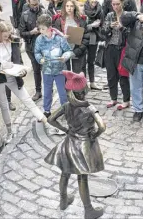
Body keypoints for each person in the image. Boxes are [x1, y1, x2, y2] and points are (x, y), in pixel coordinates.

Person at [44, 71, 105, 219]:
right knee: (82, 178)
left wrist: (66, 130)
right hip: (83, 146)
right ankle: (88, 210)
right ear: (85, 91)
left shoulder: (66, 106)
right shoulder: (89, 107)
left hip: (68, 143)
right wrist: (94, 135)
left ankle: (63, 201)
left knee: (65, 173)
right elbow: (102, 127)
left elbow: (51, 119)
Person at [0, 22, 49, 144]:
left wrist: (21, 70)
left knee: (26, 98)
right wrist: (0, 67)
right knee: (4, 105)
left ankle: (44, 120)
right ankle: (9, 131)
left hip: (13, 75)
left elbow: (18, 59)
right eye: (4, 36)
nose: (7, 38)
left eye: (8, 35)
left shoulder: (13, 41)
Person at [34, 15, 73, 116]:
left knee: (62, 92)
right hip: (47, 70)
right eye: (40, 29)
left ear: (50, 28)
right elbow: (37, 52)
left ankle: (65, 109)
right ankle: (47, 110)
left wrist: (64, 57)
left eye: (43, 29)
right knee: (47, 92)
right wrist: (40, 59)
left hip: (60, 70)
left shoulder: (59, 38)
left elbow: (68, 50)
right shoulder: (39, 39)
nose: (41, 31)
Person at [19, 0, 51, 101]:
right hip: (31, 47)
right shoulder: (25, 15)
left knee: (47, 69)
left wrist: (45, 31)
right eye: (33, 4)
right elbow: (21, 33)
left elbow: (53, 28)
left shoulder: (45, 12)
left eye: (37, 4)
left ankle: (48, 90)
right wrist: (31, 32)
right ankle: (38, 91)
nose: (35, 6)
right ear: (28, 2)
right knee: (36, 70)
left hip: (45, 46)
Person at [101, 0, 131, 110]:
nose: (115, 6)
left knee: (123, 75)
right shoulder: (109, 15)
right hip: (110, 48)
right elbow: (103, 32)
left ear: (122, 3)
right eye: (113, 4)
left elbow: (131, 34)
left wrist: (121, 28)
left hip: (122, 48)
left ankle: (126, 100)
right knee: (111, 75)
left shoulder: (127, 16)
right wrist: (109, 28)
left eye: (118, 4)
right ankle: (113, 98)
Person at [52, 0, 89, 74]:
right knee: (66, 75)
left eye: (71, 6)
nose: (69, 8)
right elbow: (54, 36)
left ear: (75, 7)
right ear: (64, 7)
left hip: (78, 51)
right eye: (67, 6)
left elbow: (86, 37)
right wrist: (62, 37)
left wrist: (77, 51)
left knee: (78, 75)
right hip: (64, 51)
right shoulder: (59, 20)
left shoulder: (81, 20)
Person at [84, 0, 104, 90]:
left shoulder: (100, 10)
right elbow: (81, 27)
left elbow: (103, 25)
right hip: (83, 39)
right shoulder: (83, 10)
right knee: (82, 61)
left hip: (94, 38)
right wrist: (92, 25)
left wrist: (99, 25)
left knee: (91, 61)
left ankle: (92, 82)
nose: (94, 0)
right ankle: (83, 83)